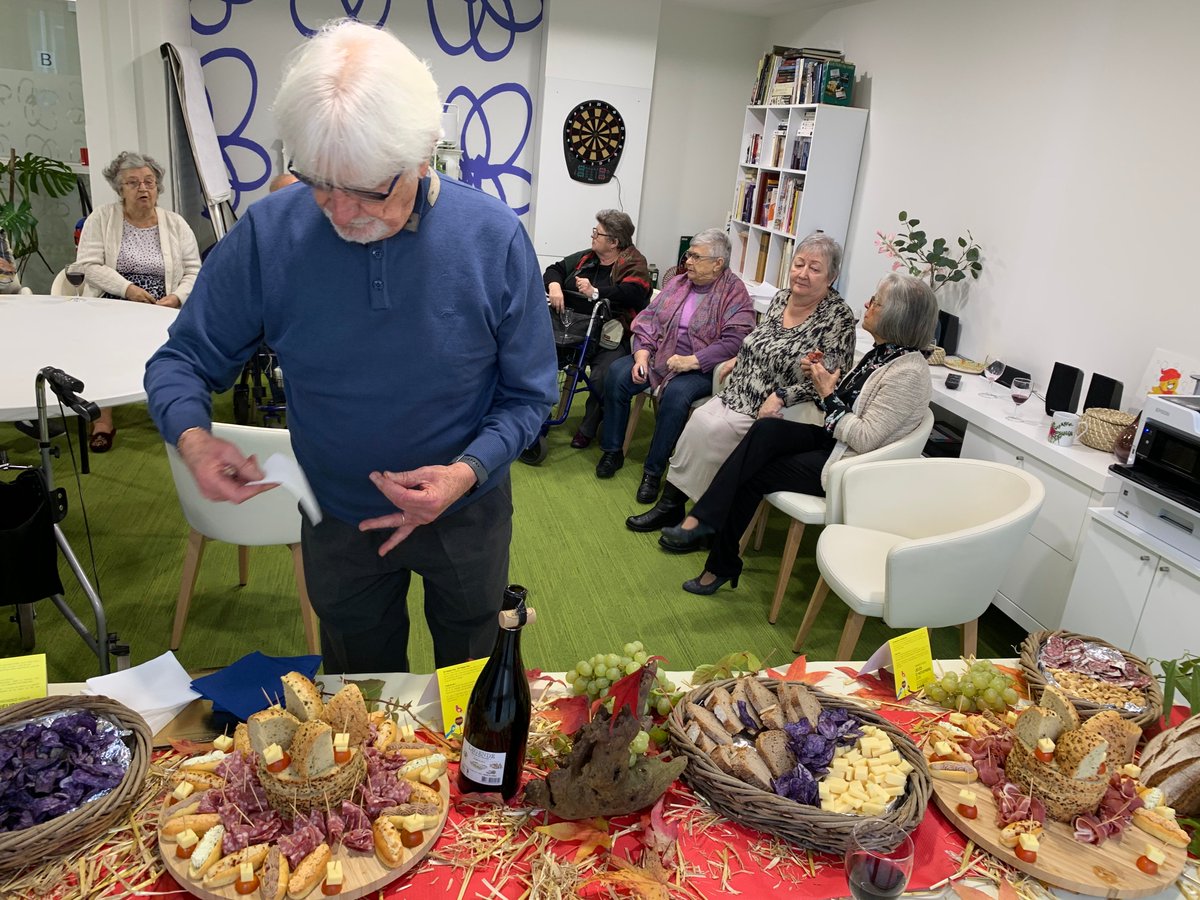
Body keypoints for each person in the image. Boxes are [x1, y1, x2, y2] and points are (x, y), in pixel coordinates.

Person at [144, 21, 558, 673]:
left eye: (367, 188)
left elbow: (530, 396)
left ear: (424, 154)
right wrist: (195, 440)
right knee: (358, 698)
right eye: (318, 183)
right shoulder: (271, 233)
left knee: (472, 685)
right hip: (339, 518)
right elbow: (181, 361)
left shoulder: (493, 238)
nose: (339, 211)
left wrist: (465, 472)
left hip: (465, 512)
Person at [663, 272, 938, 592]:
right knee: (764, 431)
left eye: (875, 302)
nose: (867, 304)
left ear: (896, 316)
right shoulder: (884, 353)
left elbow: (865, 438)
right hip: (834, 441)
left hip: (850, 466)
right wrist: (822, 377)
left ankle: (714, 551)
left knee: (754, 471)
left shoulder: (908, 373)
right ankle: (706, 524)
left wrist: (827, 392)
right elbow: (850, 404)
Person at [626, 232, 857, 533]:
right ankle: (671, 504)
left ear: (832, 276)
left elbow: (830, 381)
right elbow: (760, 339)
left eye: (814, 268)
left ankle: (705, 520)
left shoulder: (838, 318)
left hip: (781, 408)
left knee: (717, 431)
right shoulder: (781, 298)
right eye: (799, 264)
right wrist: (742, 356)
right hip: (742, 389)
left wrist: (783, 395)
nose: (802, 273)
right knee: (699, 422)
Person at [597, 228, 756, 504]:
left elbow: (735, 341)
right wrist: (642, 353)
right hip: (660, 356)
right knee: (618, 375)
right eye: (688, 255)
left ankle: (653, 471)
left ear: (718, 263)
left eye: (696, 256)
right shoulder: (679, 283)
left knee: (675, 396)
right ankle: (612, 451)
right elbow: (648, 319)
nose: (688, 262)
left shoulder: (734, 293)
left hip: (702, 368)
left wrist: (693, 361)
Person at [74, 150, 202, 452]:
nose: (143, 188)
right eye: (133, 183)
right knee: (101, 345)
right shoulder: (102, 218)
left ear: (158, 187)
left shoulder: (175, 223)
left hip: (163, 304)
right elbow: (88, 265)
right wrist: (128, 289)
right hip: (113, 301)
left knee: (175, 353)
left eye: (149, 182)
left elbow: (195, 270)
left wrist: (176, 297)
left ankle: (173, 415)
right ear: (120, 189)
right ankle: (102, 420)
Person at [544, 210, 651, 449]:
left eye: (598, 233)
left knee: (603, 375)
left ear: (614, 243)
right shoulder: (587, 258)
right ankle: (540, 415)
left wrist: (596, 292)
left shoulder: (634, 263)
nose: (593, 236)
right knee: (541, 359)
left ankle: (588, 428)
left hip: (610, 335)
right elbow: (556, 269)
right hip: (572, 330)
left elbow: (634, 293)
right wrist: (555, 286)